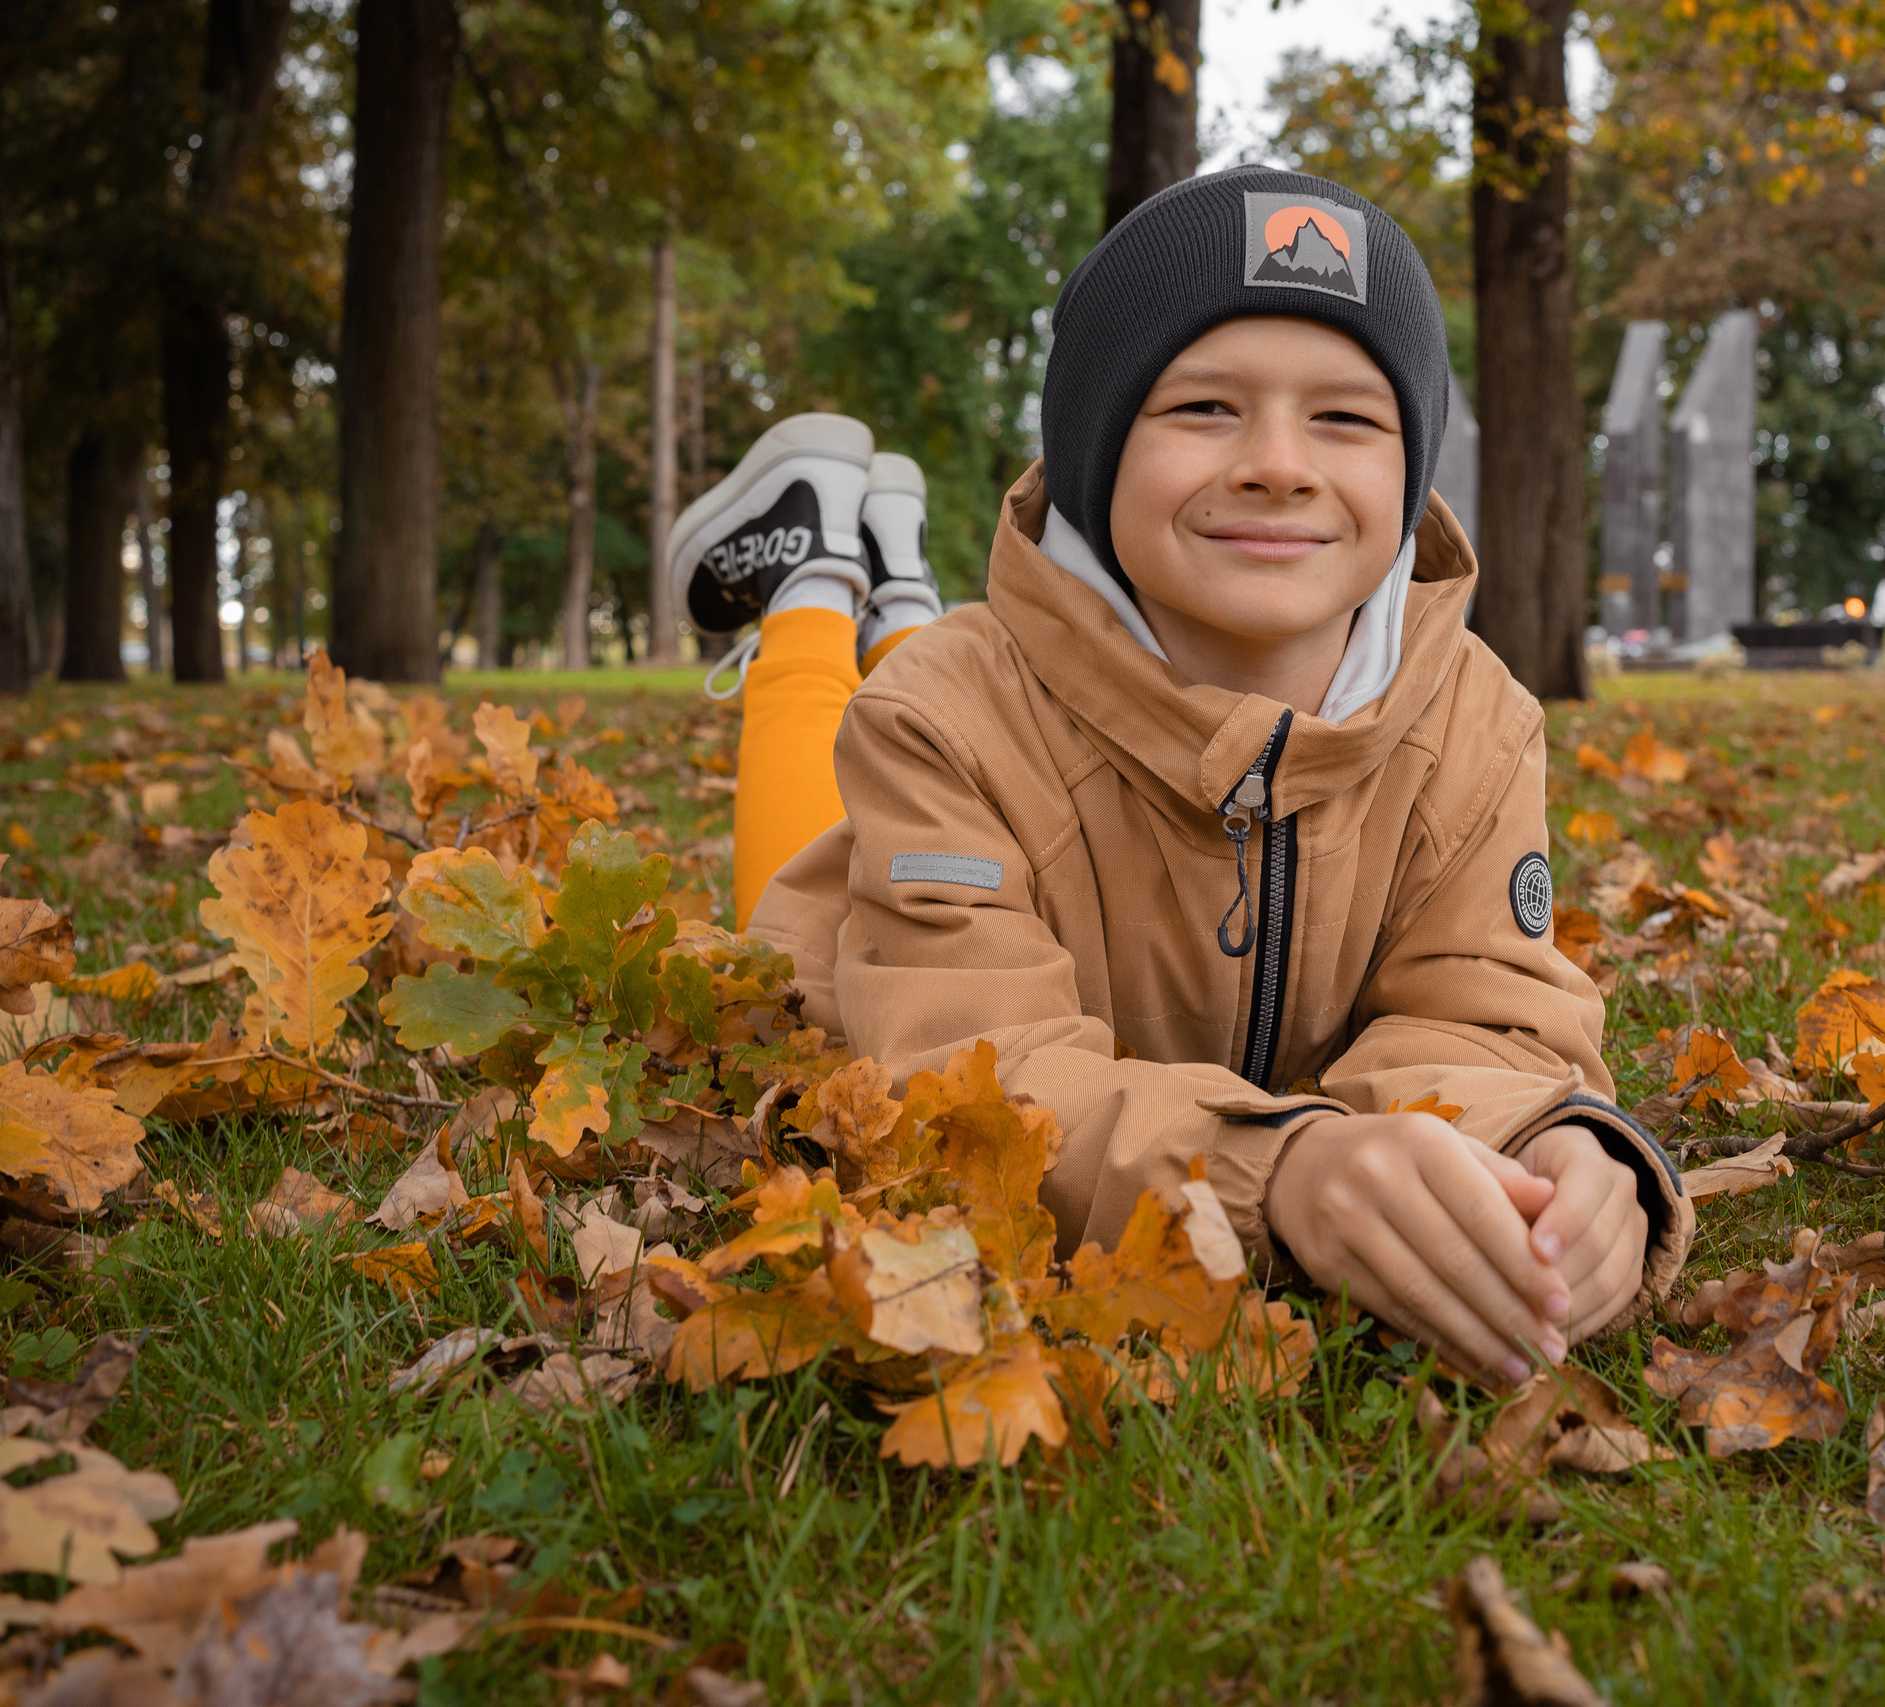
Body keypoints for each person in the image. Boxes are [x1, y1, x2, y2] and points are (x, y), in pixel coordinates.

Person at [667, 167, 1691, 1384]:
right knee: (795, 896)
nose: (1275, 464)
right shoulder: (938, 719)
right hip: (873, 949)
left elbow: (1482, 1007)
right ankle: (814, 582)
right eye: (1203, 408)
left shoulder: (1474, 719)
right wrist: (1282, 1171)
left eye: (1347, 420)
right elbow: (967, 1082)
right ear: (1096, 453)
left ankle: (892, 572)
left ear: (1411, 471)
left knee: (948, 670)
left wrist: (1552, 1141)